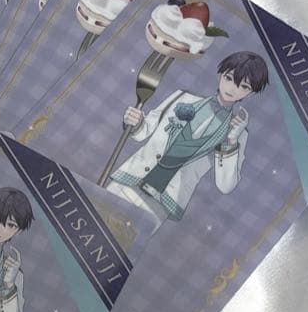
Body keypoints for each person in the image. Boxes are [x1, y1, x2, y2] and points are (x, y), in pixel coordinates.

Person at [106, 50, 268, 230]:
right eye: (229, 78)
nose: (232, 88)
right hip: (132, 177)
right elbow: (143, 131)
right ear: (220, 75)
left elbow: (225, 186)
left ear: (250, 94)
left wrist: (231, 141)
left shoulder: (238, 134)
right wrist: (135, 122)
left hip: (163, 201)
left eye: (243, 86)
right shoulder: (182, 98)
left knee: (126, 239)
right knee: (98, 214)